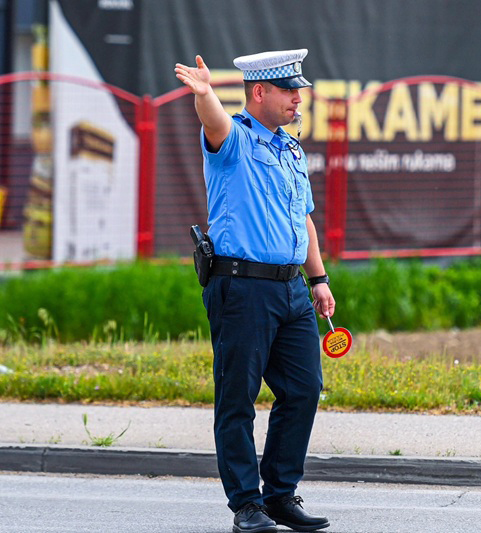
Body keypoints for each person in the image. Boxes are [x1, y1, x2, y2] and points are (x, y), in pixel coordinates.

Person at [175, 49, 333, 533]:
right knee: (237, 398)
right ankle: (246, 504)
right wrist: (205, 96)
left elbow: (303, 217)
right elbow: (215, 121)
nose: (298, 99)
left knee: (305, 390)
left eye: (299, 91)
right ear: (259, 92)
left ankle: (280, 495)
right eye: (289, 91)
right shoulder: (235, 139)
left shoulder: (290, 148)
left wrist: (319, 279)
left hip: (290, 290)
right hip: (242, 288)